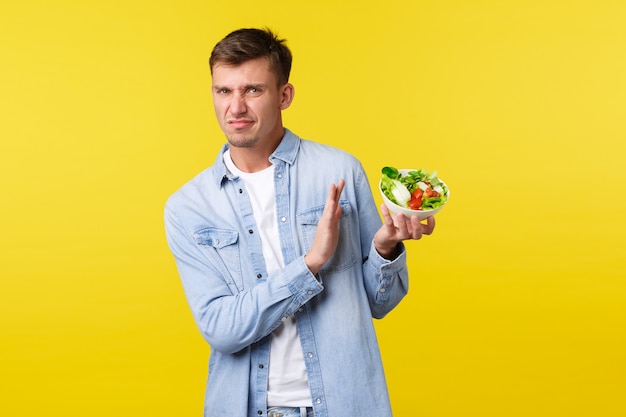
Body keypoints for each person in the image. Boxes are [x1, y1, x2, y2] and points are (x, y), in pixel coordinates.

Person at [164, 27, 436, 417]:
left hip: (344, 404)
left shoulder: (339, 171)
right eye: (224, 91)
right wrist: (310, 264)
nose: (235, 107)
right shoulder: (189, 207)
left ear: (284, 95)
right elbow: (222, 329)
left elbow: (380, 303)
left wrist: (385, 247)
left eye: (253, 90)